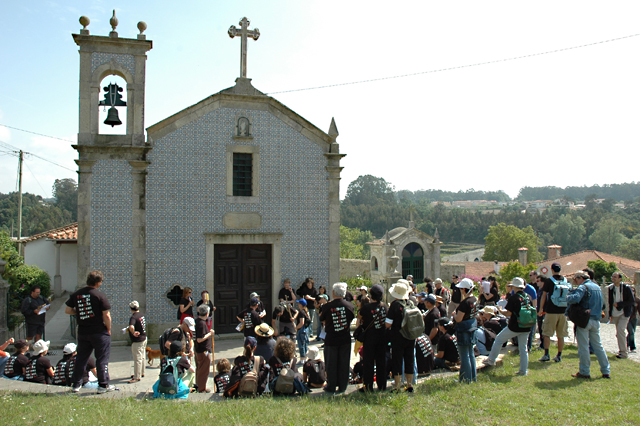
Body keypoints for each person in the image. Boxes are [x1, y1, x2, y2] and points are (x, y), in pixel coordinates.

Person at [65, 270, 117, 393]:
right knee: (102, 359)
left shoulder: (77, 294)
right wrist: (108, 329)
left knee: (81, 358)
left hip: (83, 331)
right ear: (98, 282)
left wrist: (79, 312)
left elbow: (67, 310)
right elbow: (106, 315)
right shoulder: (99, 295)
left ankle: (76, 384)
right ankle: (103, 385)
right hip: (99, 331)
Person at [566, 270, 611, 379]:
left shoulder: (583, 287)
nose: (575, 282)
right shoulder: (597, 287)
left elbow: (575, 299)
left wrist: (567, 296)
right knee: (598, 346)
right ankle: (606, 370)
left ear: (580, 278)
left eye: (575, 279)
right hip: (596, 320)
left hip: (584, 320)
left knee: (584, 347)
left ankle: (584, 372)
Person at [482, 278, 531, 376]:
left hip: (515, 326)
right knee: (523, 348)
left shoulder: (514, 298)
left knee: (499, 339)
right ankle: (523, 371)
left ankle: (491, 360)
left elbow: (508, 313)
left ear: (515, 287)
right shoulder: (527, 297)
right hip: (526, 325)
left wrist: (499, 310)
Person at [319, 282, 355, 394]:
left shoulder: (327, 306)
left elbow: (322, 319)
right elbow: (350, 319)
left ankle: (331, 385)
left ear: (333, 293)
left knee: (331, 363)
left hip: (331, 339)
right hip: (345, 338)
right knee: (344, 363)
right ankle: (343, 385)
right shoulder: (349, 306)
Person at [385, 279, 415, 392]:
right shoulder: (410, 303)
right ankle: (409, 384)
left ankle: (397, 386)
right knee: (409, 359)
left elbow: (388, 324)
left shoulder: (395, 305)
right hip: (410, 336)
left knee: (397, 360)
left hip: (398, 337)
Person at [358, 284, 388, 392]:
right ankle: (382, 385)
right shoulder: (384, 306)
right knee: (381, 362)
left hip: (370, 338)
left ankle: (368, 386)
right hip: (382, 337)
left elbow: (359, 317)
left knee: (368, 363)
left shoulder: (366, 308)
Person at [537, 262, 569, 363]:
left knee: (546, 333)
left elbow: (544, 296)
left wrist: (541, 309)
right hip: (563, 310)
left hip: (551, 310)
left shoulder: (549, 281)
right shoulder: (565, 280)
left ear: (552, 270)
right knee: (561, 335)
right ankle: (559, 355)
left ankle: (546, 354)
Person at [453, 278, 478, 383]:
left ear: (464, 289)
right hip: (472, 327)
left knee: (464, 355)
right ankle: (473, 377)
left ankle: (466, 379)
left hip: (463, 329)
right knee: (470, 353)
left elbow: (459, 318)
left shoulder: (465, 303)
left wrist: (454, 314)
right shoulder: (474, 299)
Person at [608, 272, 634, 359]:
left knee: (620, 330)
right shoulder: (611, 288)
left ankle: (624, 353)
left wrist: (620, 304)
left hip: (624, 313)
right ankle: (621, 350)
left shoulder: (626, 288)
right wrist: (610, 314)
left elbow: (631, 301)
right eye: (612, 277)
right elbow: (610, 302)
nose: (613, 278)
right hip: (615, 314)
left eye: (615, 277)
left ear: (620, 279)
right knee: (619, 333)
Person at [195, 304, 214, 392]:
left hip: (199, 350)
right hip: (203, 350)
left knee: (200, 369)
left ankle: (200, 386)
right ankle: (201, 388)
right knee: (203, 370)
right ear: (207, 314)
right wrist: (210, 334)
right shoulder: (201, 324)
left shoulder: (198, 321)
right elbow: (199, 339)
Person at [127, 300, 147, 383]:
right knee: (142, 356)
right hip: (144, 338)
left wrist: (133, 332)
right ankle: (142, 372)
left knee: (137, 358)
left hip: (137, 341)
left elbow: (131, 326)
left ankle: (136, 376)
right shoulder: (141, 315)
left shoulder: (133, 317)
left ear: (131, 308)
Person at [296, 299, 311, 364]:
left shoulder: (301, 312)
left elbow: (301, 323)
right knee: (305, 344)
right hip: (305, 329)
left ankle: (302, 359)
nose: (298, 304)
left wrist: (296, 328)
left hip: (301, 330)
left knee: (301, 345)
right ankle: (305, 358)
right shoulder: (306, 312)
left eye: (299, 303)